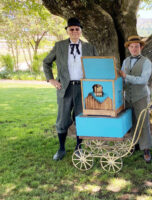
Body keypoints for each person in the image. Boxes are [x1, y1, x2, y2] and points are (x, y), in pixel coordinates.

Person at [43, 17, 99, 161]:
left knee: (81, 119)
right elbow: (46, 62)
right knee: (62, 120)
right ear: (67, 31)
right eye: (71, 29)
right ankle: (61, 149)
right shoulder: (59, 46)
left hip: (83, 89)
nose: (74, 31)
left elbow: (96, 66)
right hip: (65, 88)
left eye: (77, 29)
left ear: (81, 31)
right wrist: (51, 79)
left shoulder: (89, 47)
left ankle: (79, 148)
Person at [119, 35, 152, 163]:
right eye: (131, 47)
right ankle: (134, 144)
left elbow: (143, 80)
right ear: (129, 48)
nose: (134, 49)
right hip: (128, 97)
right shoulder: (125, 61)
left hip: (141, 96)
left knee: (143, 122)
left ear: (141, 47)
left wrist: (126, 76)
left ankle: (146, 149)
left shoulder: (146, 62)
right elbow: (122, 78)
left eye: (136, 46)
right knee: (131, 121)